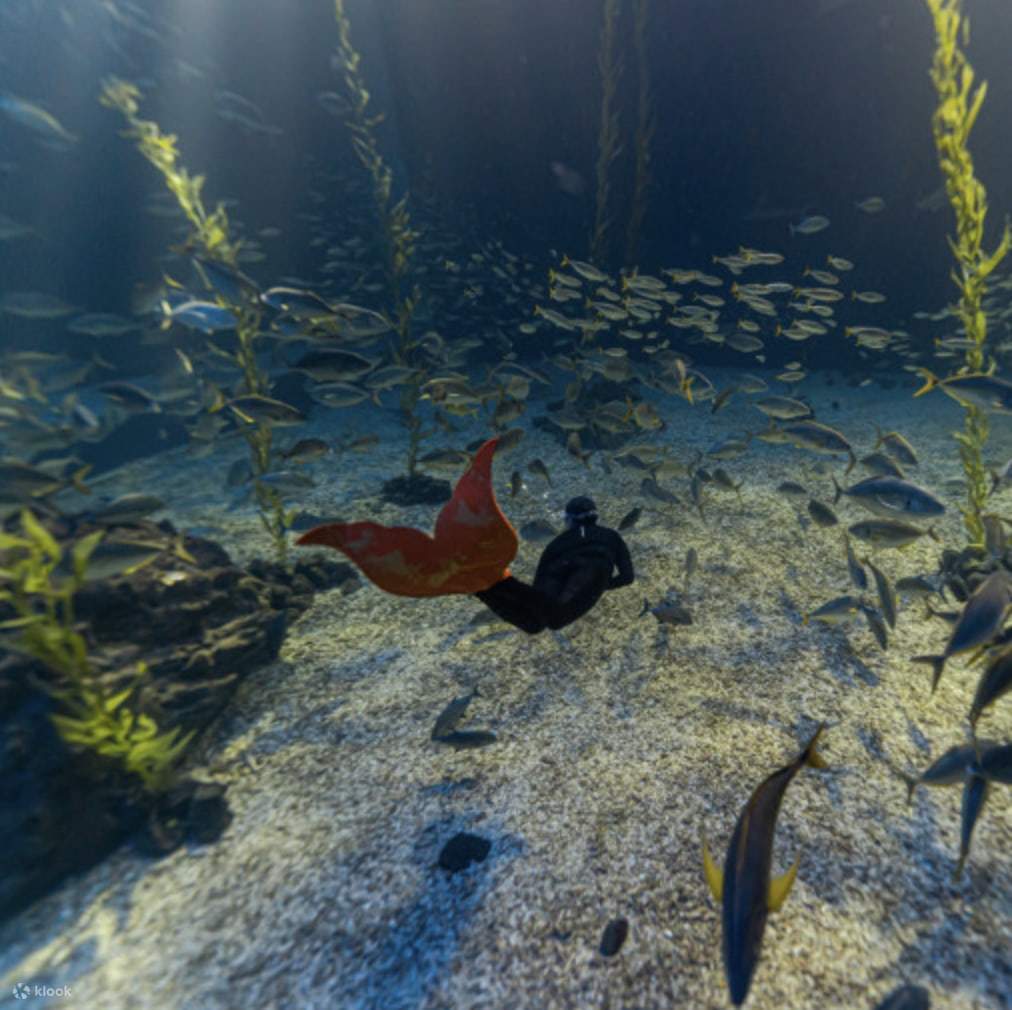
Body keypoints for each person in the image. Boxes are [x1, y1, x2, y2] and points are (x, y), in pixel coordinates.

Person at [475, 496, 634, 634]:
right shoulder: (613, 537)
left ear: (569, 519)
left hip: (556, 597)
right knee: (541, 623)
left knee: (537, 621)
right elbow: (627, 577)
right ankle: (484, 588)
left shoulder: (557, 543)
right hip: (580, 596)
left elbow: (541, 582)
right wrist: (601, 584)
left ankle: (491, 584)